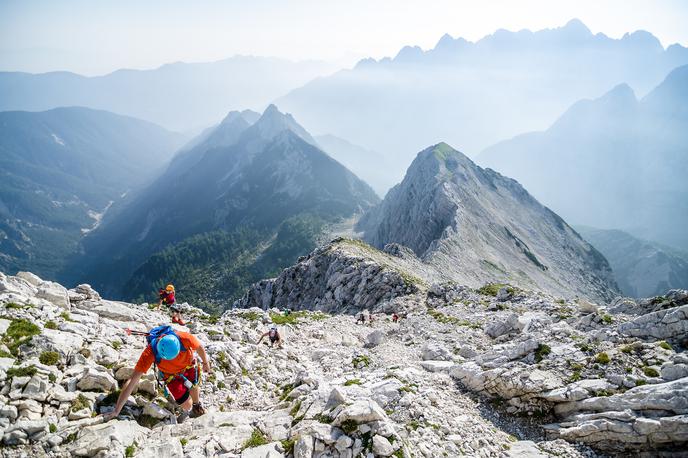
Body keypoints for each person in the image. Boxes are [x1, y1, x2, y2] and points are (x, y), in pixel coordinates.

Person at [103, 325, 210, 423]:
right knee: (187, 405)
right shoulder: (150, 352)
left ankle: (197, 406)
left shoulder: (184, 337)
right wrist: (116, 411)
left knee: (194, 387)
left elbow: (199, 346)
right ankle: (191, 405)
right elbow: (133, 380)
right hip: (171, 376)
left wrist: (206, 362)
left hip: (189, 366)